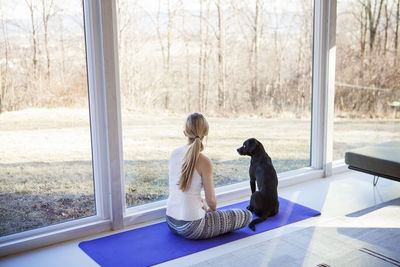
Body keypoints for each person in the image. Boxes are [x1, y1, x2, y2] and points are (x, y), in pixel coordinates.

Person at [166, 113, 252, 239]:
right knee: (246, 215)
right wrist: (211, 211)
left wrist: (198, 202)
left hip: (171, 221)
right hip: (192, 227)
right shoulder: (204, 161)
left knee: (202, 206)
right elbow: (211, 202)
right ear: (205, 133)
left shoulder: (174, 154)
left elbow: (180, 190)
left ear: (185, 133)